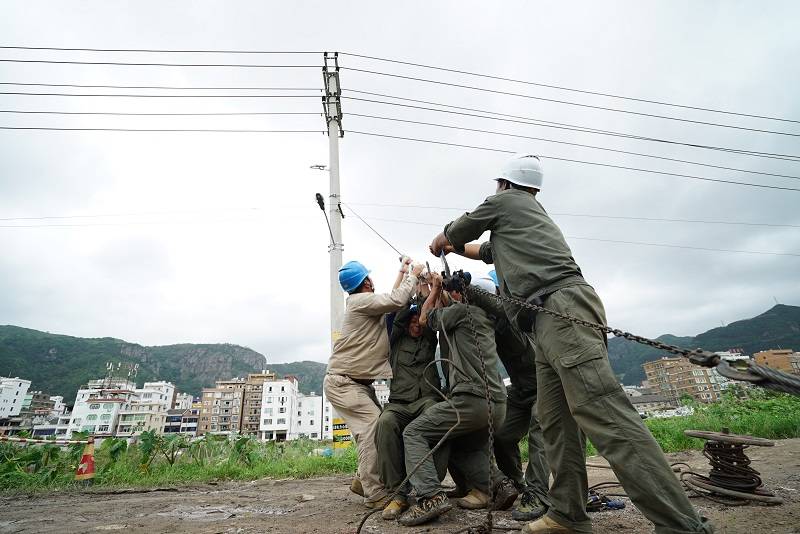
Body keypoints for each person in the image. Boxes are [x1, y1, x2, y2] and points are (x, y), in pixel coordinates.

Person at [429, 153, 713, 534]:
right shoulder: (521, 225)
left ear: (503, 183)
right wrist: (453, 250)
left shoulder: (508, 201)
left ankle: (681, 525)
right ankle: (567, 514)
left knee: (606, 415)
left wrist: (441, 241)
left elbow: (458, 232)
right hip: (544, 320)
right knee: (555, 422)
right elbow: (482, 251)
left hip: (561, 310)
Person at [398, 272, 507, 527]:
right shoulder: (485, 318)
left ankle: (430, 497)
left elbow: (425, 318)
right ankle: (499, 485)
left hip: (472, 401)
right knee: (460, 446)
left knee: (414, 433)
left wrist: (434, 288)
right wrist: (440, 289)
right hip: (498, 404)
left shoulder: (463, 312)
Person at [324, 258, 423, 509]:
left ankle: (362, 480)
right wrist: (415, 273)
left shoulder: (362, 303)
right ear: (366, 282)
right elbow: (397, 301)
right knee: (372, 429)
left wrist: (401, 271)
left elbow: (389, 300)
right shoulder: (360, 302)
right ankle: (375, 493)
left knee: (377, 431)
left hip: (354, 384)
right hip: (345, 383)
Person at [469, 273, 551, 522]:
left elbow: (504, 311)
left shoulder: (521, 309)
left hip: (545, 383)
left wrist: (474, 292)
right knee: (503, 435)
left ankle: (538, 494)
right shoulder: (491, 320)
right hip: (520, 388)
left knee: (540, 435)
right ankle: (518, 485)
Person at [375, 302, 446, 520]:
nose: (416, 325)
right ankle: (397, 495)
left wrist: (425, 293)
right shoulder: (395, 340)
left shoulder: (428, 338)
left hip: (425, 400)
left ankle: (430, 486)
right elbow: (397, 316)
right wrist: (409, 284)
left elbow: (429, 314)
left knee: (436, 413)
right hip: (399, 403)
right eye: (412, 322)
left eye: (419, 322)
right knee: (385, 423)